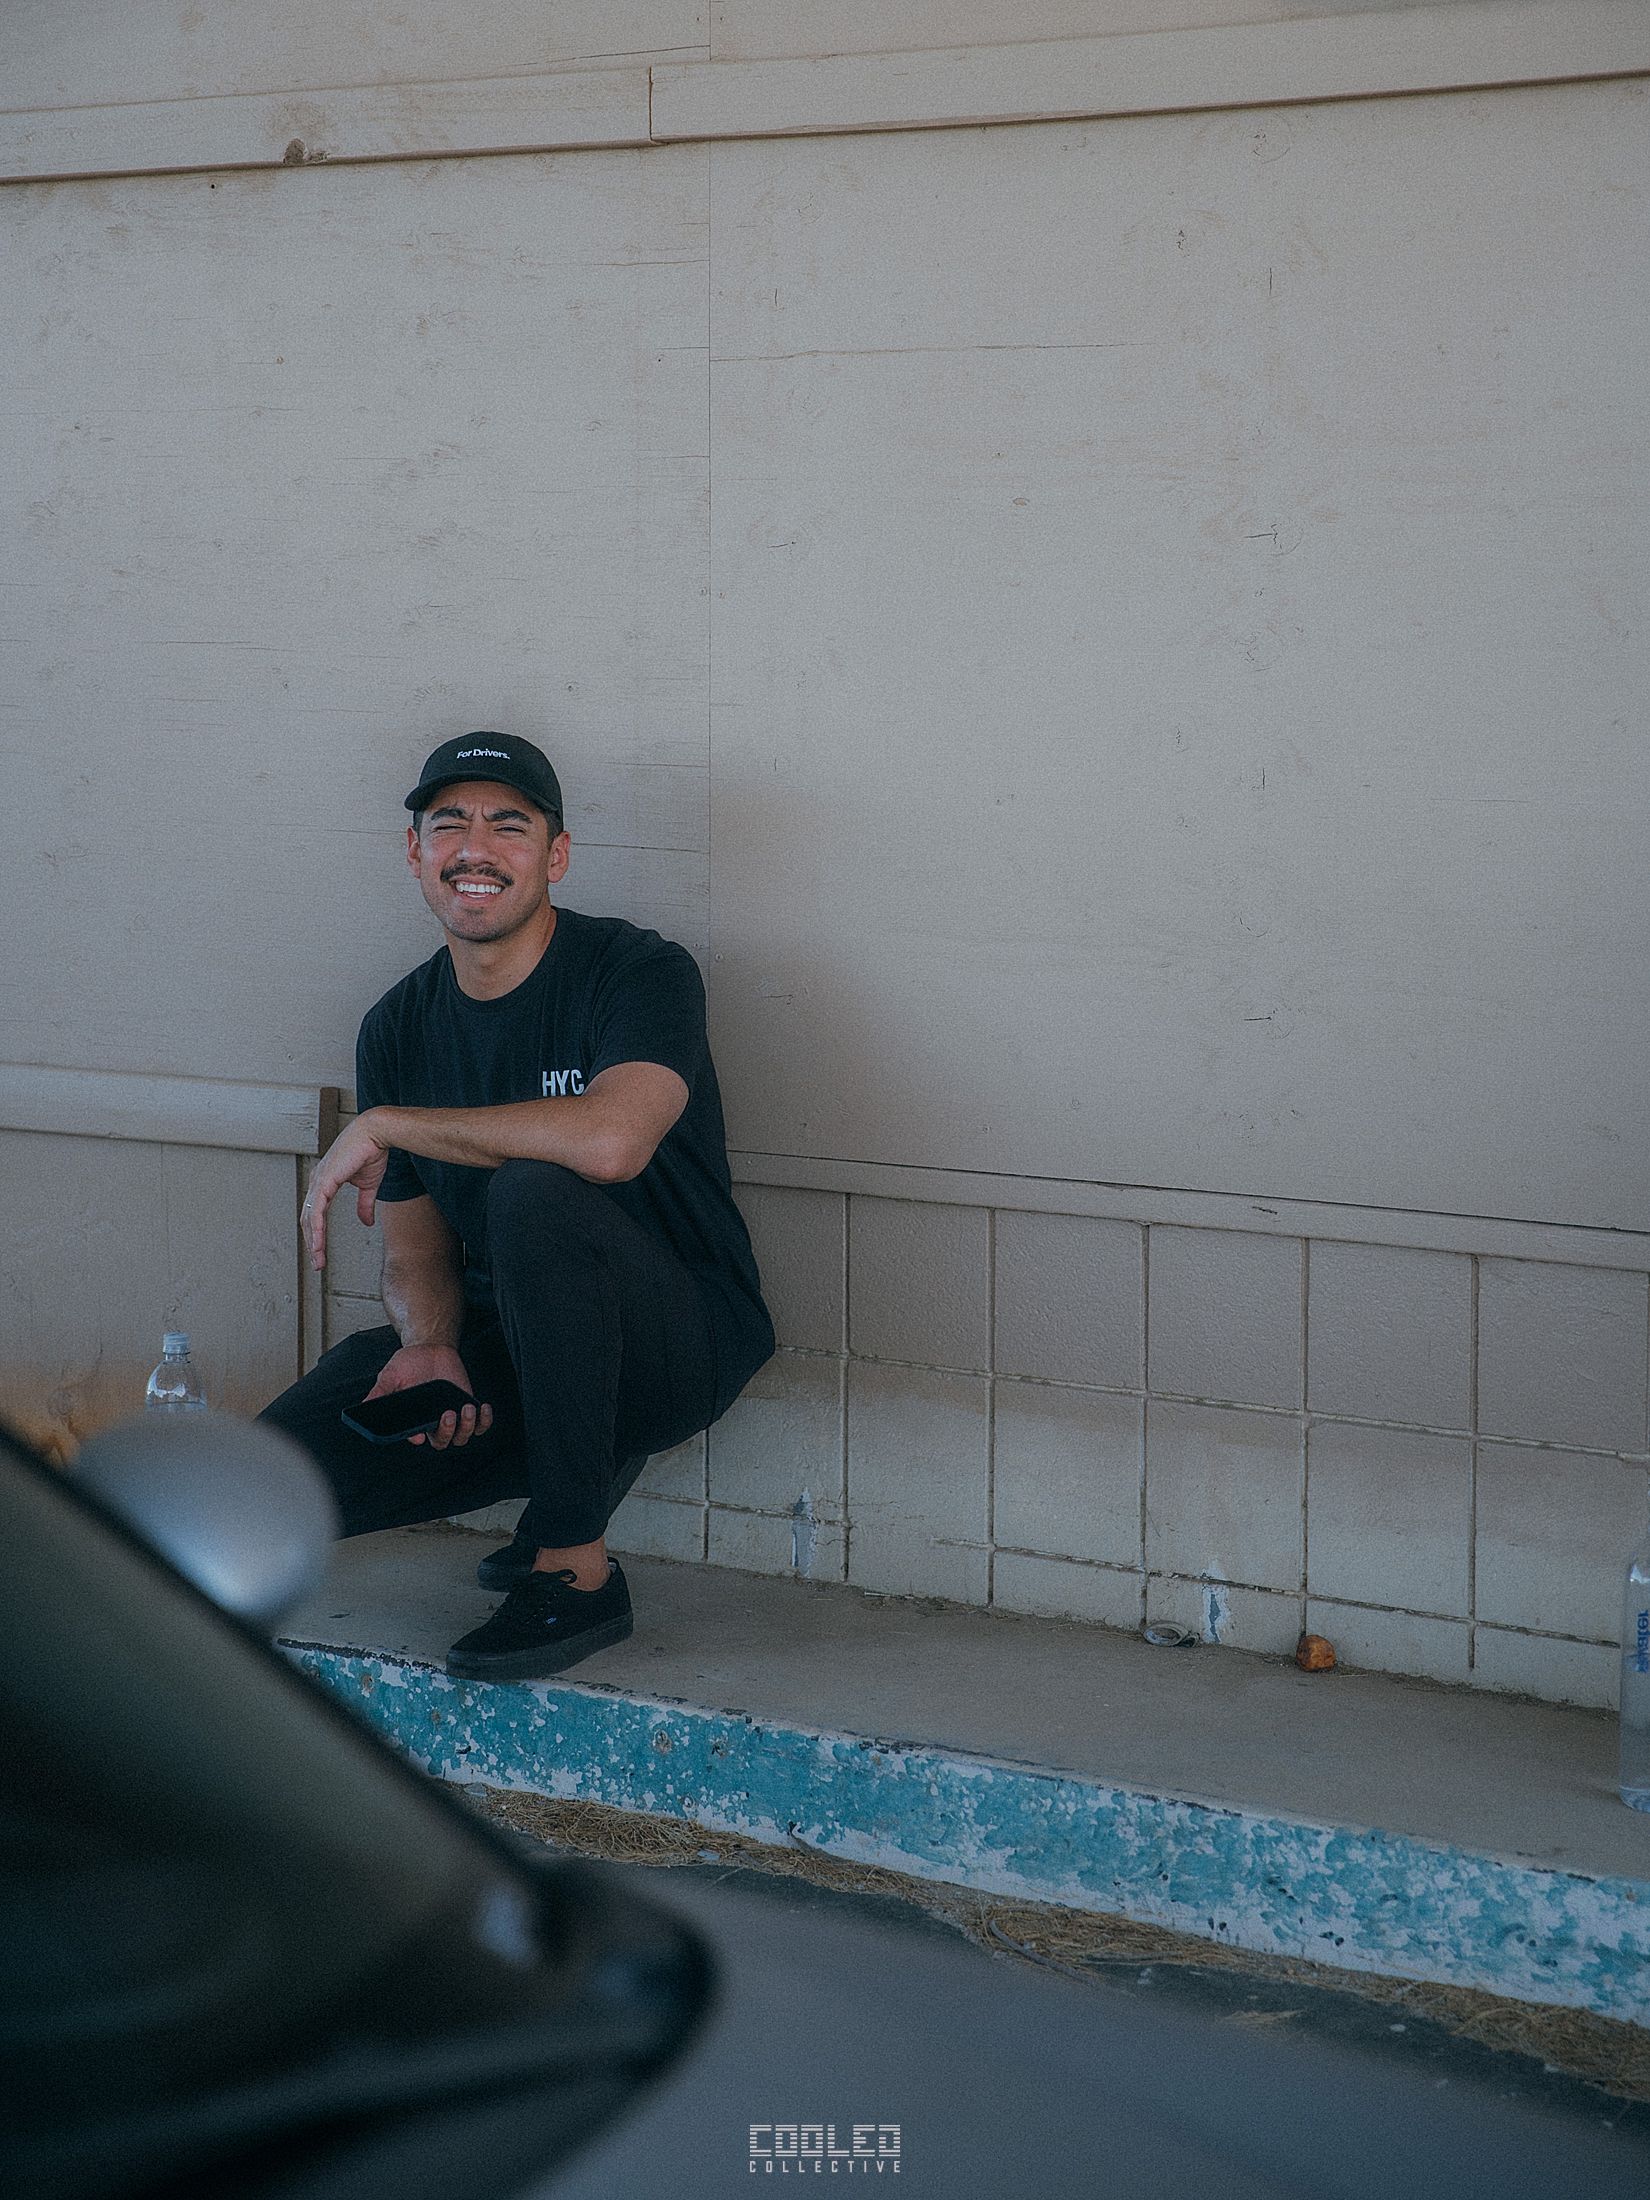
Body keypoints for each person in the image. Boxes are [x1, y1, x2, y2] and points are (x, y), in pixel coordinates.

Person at [259, 732, 774, 1681]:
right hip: (518, 1339)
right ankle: (570, 1466)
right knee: (271, 1477)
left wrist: (392, 1123)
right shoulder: (399, 1024)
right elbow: (416, 1250)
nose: (475, 849)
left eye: (509, 825)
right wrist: (430, 1343)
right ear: (414, 851)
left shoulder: (638, 971)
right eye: (448, 824)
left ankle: (574, 1568)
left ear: (555, 854)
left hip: (676, 1338)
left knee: (535, 1192)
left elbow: (613, 1142)